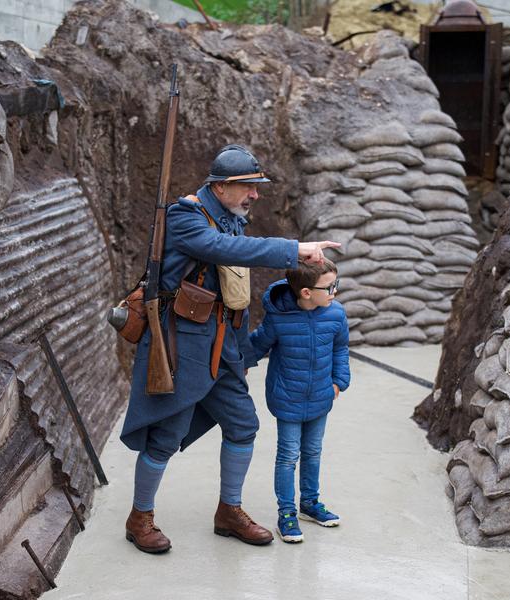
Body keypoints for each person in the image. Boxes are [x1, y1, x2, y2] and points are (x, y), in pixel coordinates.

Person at [120, 144, 340, 554]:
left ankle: (229, 511)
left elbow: (232, 294)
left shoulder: (231, 218)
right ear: (220, 187)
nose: (255, 194)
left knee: (242, 425)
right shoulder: (185, 217)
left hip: (222, 346)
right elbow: (224, 250)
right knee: (166, 435)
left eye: (257, 187)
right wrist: (293, 250)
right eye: (248, 186)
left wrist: (244, 353)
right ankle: (140, 517)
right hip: (182, 345)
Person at [248, 258, 350, 543]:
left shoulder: (336, 314)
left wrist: (338, 382)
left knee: (313, 451)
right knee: (288, 456)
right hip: (287, 399)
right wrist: (237, 364)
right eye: (329, 287)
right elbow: (257, 344)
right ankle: (287, 513)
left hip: (321, 397)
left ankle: (309, 503)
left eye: (336, 284)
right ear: (306, 292)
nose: (335, 292)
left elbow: (341, 348)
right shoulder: (279, 317)